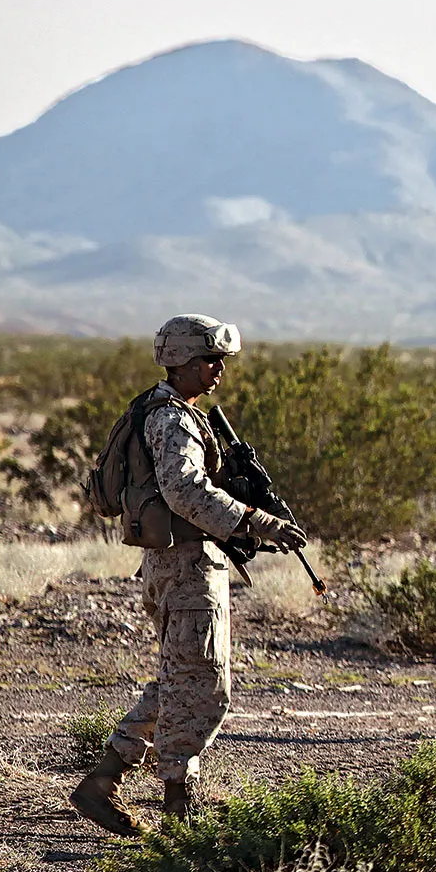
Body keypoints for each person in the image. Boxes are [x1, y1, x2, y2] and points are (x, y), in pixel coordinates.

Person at [70, 314, 308, 834]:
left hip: (179, 561)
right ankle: (179, 809)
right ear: (182, 362)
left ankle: (102, 781)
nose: (218, 370)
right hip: (185, 565)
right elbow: (184, 492)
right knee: (206, 687)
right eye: (209, 360)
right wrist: (258, 523)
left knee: (180, 679)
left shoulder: (161, 411)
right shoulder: (173, 420)